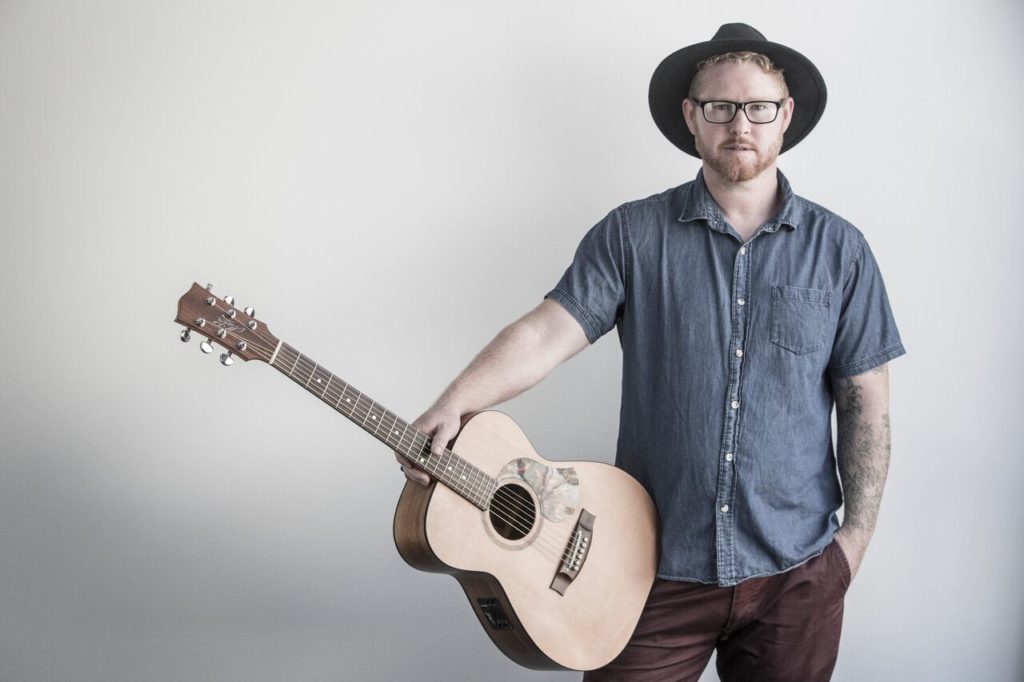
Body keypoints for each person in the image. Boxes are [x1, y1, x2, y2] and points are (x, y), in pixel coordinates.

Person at [397, 22, 905, 682]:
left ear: (785, 117)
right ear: (692, 117)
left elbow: (867, 404)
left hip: (796, 574)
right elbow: (548, 333)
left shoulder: (841, 251)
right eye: (720, 107)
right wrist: (455, 403)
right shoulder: (632, 235)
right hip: (645, 570)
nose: (740, 124)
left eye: (758, 107)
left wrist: (852, 545)